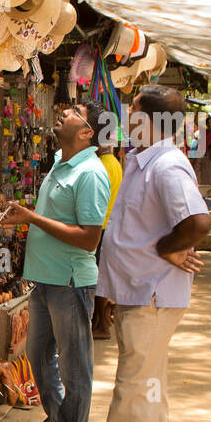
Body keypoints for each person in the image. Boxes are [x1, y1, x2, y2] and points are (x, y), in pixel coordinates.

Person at [86, 85, 211, 422]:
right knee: (150, 391)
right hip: (143, 295)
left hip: (152, 296)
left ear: (149, 120)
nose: (124, 116)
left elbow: (197, 220)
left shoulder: (167, 164)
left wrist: (166, 247)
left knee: (133, 395)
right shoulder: (142, 160)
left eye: (132, 110)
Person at [2, 101, 112, 422]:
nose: (64, 111)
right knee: (38, 357)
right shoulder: (59, 163)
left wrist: (32, 217)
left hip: (70, 283)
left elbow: (89, 239)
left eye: (75, 111)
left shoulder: (91, 173)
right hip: (45, 280)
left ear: (86, 132)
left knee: (74, 368)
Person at [92, 134, 124, 340]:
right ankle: (101, 319)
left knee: (98, 277)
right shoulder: (114, 163)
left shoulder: (102, 165)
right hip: (109, 225)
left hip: (101, 226)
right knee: (101, 275)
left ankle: (101, 323)